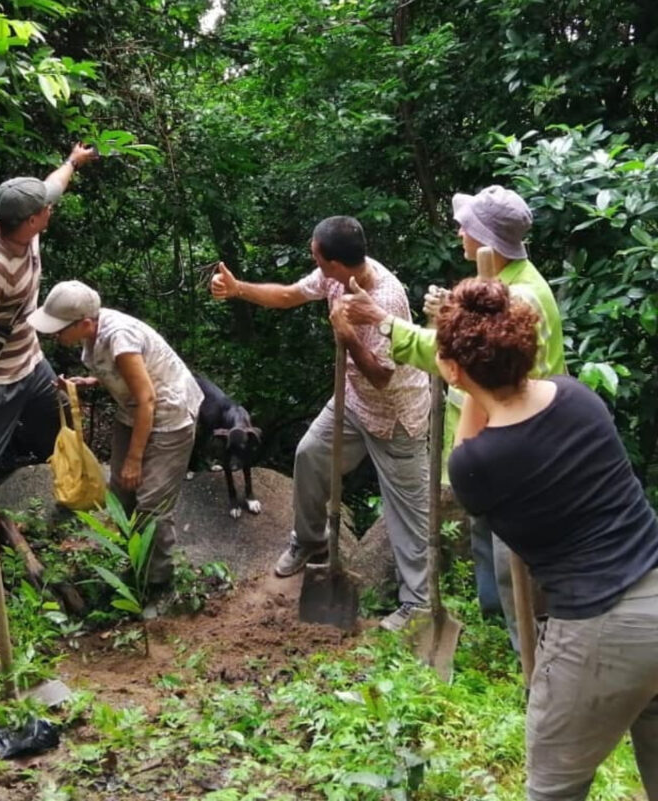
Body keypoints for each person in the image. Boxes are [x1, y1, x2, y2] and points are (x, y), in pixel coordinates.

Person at [437, 279, 658, 801]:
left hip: (599, 629)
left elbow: (466, 449)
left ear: (453, 370)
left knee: (553, 787)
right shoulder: (580, 399)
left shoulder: (476, 467)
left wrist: (465, 381)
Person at [341, 185, 566, 646]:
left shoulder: (520, 297)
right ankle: (498, 626)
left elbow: (453, 355)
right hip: (490, 438)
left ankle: (529, 644)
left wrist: (382, 320)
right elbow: (471, 335)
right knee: (485, 535)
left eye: (467, 225)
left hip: (517, 445)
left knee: (512, 558)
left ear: (487, 242)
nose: (459, 230)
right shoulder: (505, 285)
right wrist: (453, 311)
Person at [211, 216, 430, 631]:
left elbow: (383, 377)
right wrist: (239, 289)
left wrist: (346, 336)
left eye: (315, 254)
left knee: (406, 511)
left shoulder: (386, 299)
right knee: (310, 455)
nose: (311, 258)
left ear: (334, 261)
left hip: (397, 413)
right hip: (352, 403)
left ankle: (416, 604)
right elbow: (290, 295)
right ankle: (310, 541)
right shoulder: (332, 277)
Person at [0, 143, 98, 607]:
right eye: (44, 210)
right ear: (31, 220)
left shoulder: (23, 225)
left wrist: (72, 161)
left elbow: (51, 186)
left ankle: (12, 484)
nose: (50, 211)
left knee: (56, 426)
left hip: (30, 361)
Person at [28, 280, 203, 588]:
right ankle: (138, 563)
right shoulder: (93, 330)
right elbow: (124, 372)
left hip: (167, 414)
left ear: (83, 323)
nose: (55, 336)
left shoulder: (119, 337)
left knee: (152, 506)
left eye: (59, 330)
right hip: (133, 410)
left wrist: (135, 459)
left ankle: (158, 584)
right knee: (121, 492)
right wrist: (92, 381)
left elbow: (148, 399)